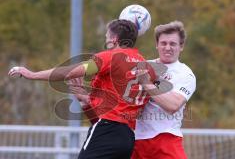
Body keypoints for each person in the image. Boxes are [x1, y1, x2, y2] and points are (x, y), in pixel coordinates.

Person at [8, 19, 156, 159]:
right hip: (128, 137)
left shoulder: (109, 57)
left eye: (107, 35)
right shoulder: (148, 68)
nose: (105, 39)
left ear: (114, 39)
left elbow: (70, 72)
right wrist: (85, 99)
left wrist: (32, 75)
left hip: (107, 130)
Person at [131, 21, 196, 159]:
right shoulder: (144, 66)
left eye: (173, 44)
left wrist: (148, 83)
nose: (167, 47)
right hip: (135, 141)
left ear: (181, 46)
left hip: (166, 141)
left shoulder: (185, 74)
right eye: (163, 43)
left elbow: (172, 105)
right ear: (157, 45)